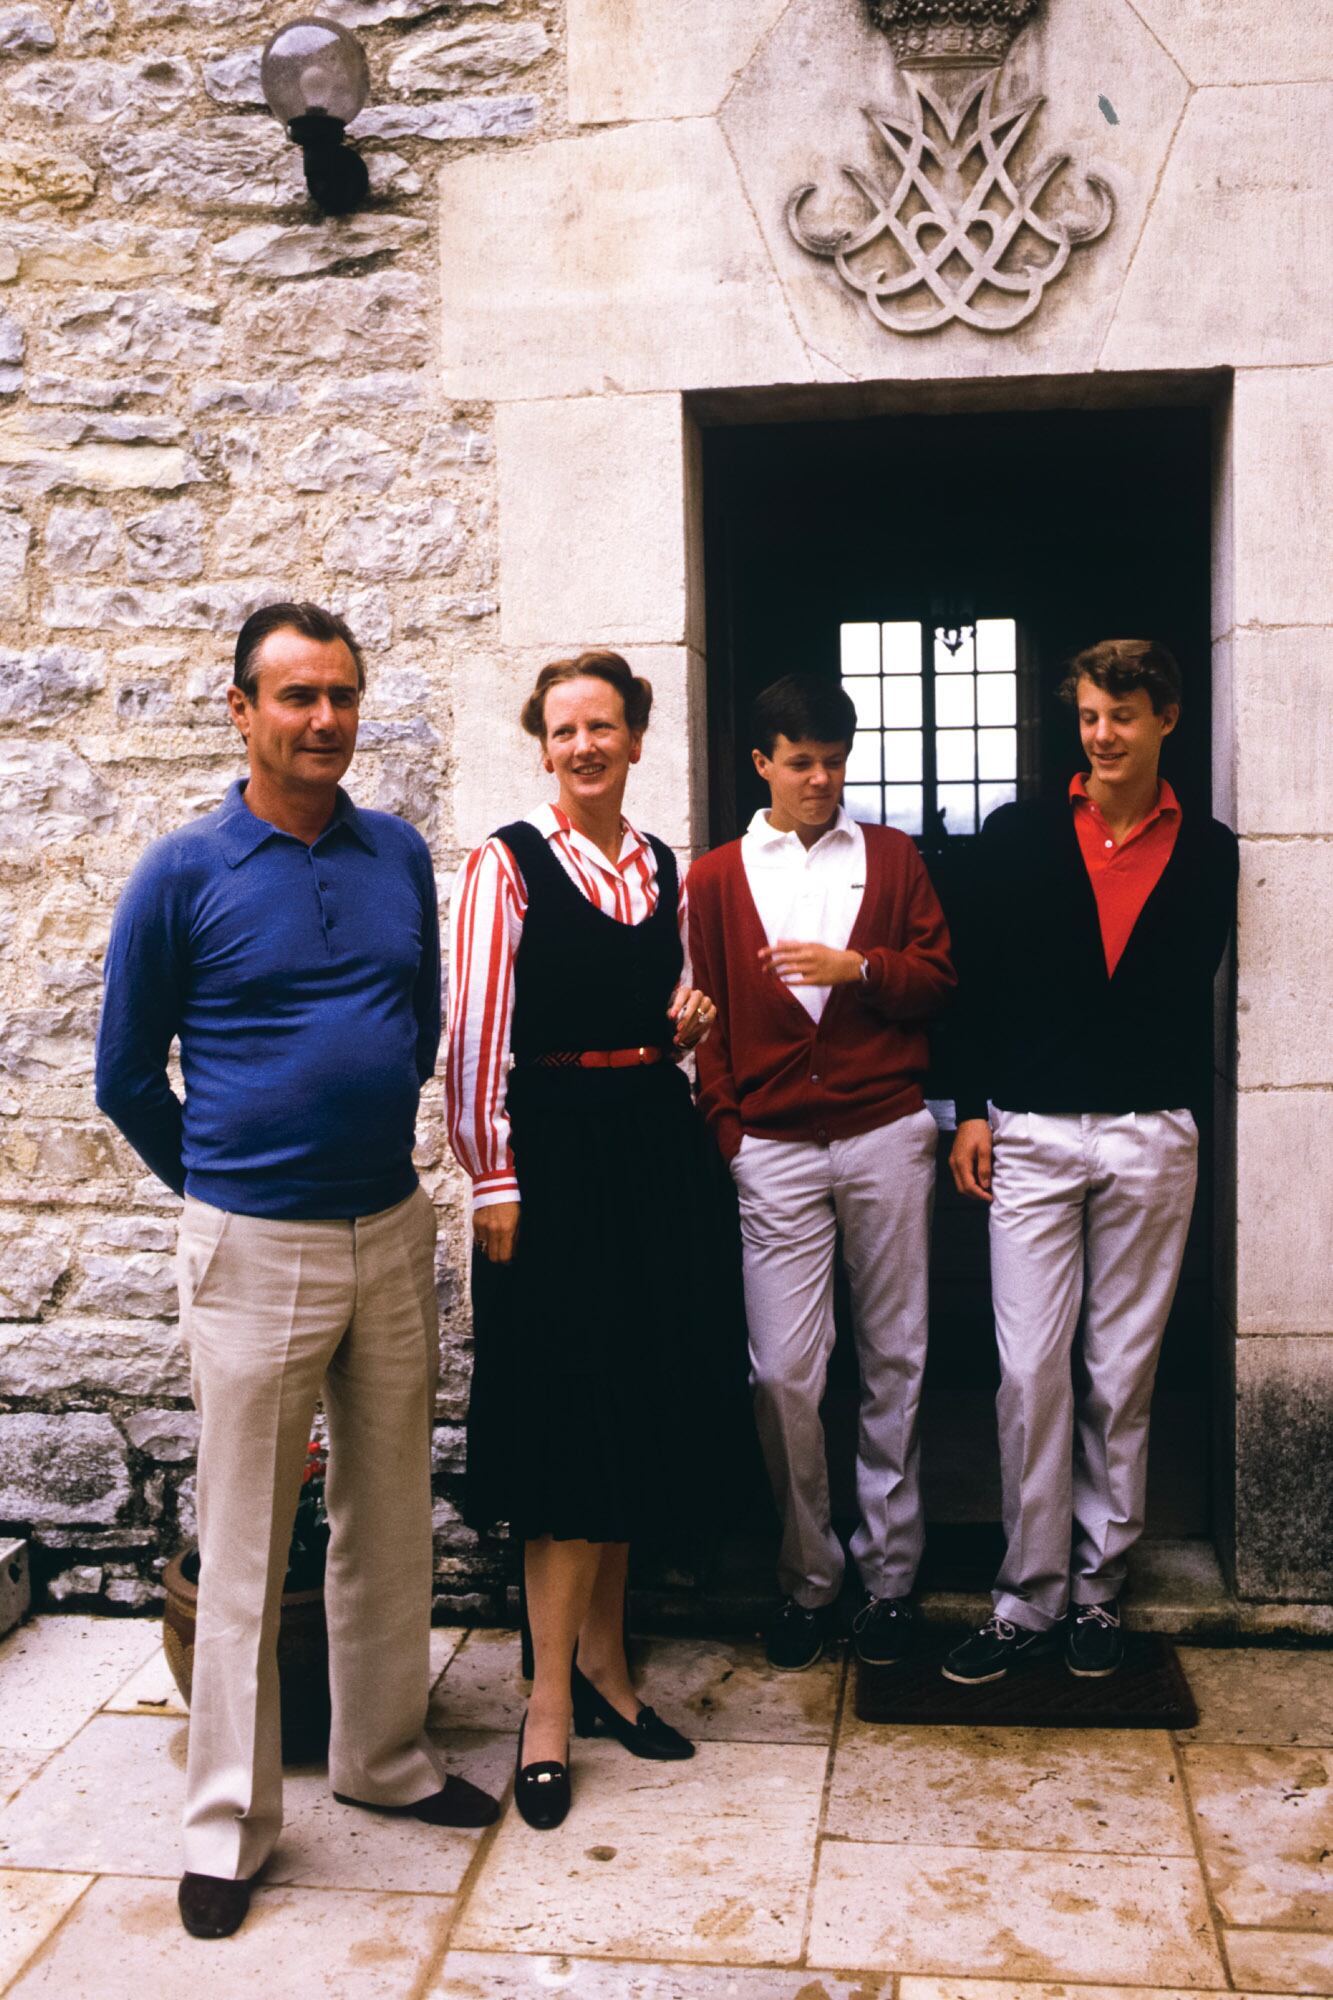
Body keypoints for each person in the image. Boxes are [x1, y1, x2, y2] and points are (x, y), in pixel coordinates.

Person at [95, 602, 498, 1943]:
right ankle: (229, 1822)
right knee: (246, 1541)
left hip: (387, 1227)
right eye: (295, 697)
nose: (323, 720)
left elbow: (420, 1023)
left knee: (388, 1517)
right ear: (242, 710)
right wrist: (225, 1189)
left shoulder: (394, 857)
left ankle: (385, 1761)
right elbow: (124, 1077)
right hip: (252, 1241)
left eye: (340, 696)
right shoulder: (183, 871)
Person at [445, 649, 731, 1829]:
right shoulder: (504, 865)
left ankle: (609, 1671)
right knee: (567, 1424)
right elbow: (472, 1034)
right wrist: (492, 1179)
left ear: (634, 735)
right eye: (563, 728)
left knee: (632, 1404)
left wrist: (690, 1020)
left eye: (602, 725)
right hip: (551, 1165)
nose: (583, 745)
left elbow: (666, 1006)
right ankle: (546, 1704)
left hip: (648, 1153)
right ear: (542, 742)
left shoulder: (659, 864)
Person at [944, 639, 1238, 1684]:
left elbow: (1171, 986)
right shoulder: (1020, 836)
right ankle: (1026, 1594)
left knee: (1122, 1368)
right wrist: (973, 1108)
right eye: (1087, 716)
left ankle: (1099, 1590)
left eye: (1121, 714)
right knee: (1028, 1366)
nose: (1102, 734)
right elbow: (974, 980)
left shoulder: (1208, 849)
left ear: (1166, 718)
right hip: (1027, 1126)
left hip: (1151, 1130)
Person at [687, 674, 955, 1673]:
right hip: (774, 1146)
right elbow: (703, 1008)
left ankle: (889, 1577)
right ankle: (808, 1574)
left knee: (896, 1355)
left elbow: (940, 980)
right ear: (761, 762)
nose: (821, 779)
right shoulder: (715, 878)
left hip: (885, 1128)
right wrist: (729, 1128)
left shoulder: (889, 856)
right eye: (801, 762)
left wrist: (863, 969)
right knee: (786, 1372)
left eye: (835, 761)